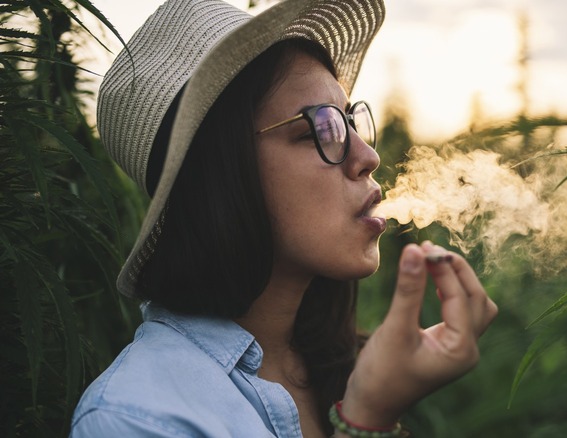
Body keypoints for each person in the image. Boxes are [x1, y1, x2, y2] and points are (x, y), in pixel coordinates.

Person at [71, 0, 498, 436]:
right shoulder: (135, 418)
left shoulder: (344, 364)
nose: (368, 157)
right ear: (222, 173)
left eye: (351, 120)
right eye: (321, 127)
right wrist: (367, 420)